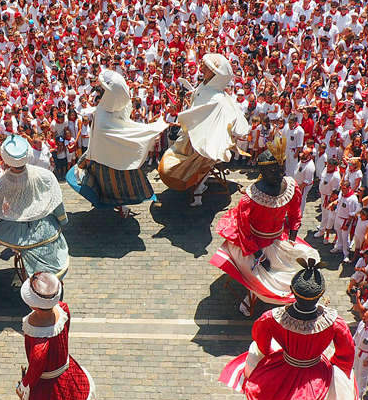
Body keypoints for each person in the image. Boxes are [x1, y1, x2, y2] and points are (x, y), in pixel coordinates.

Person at [220, 259, 358, 400]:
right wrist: (337, 368)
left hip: (284, 364)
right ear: (320, 295)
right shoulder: (335, 323)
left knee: (252, 355)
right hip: (315, 372)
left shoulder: (272, 317)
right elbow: (346, 352)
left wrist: (268, 355)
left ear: (292, 290)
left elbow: (261, 343)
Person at [210, 137, 321, 316]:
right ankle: (252, 295)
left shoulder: (290, 186)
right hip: (254, 244)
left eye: (281, 170)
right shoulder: (249, 199)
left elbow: (295, 215)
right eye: (273, 172)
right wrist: (259, 255)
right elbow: (244, 231)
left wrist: (291, 241)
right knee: (261, 276)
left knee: (302, 261)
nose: (279, 176)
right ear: (261, 171)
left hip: (280, 238)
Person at [9, 272, 96, 400]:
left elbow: (35, 369)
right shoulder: (63, 309)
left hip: (48, 386)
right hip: (66, 369)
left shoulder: (39, 342)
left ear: (32, 304)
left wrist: (24, 386)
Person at [69, 69, 167, 219]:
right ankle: (120, 207)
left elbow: (112, 124)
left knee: (112, 187)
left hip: (103, 157)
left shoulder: (106, 116)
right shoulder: (118, 107)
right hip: (106, 154)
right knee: (115, 187)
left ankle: (119, 206)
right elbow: (105, 111)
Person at [0, 135, 70, 280]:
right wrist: (62, 219)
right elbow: (56, 200)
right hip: (43, 223)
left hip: (16, 226)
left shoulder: (2, 182)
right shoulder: (45, 174)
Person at [158, 53, 250, 207]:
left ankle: (198, 194)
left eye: (206, 68)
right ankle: (196, 184)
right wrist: (193, 93)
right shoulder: (204, 86)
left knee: (199, 163)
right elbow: (200, 97)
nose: (202, 69)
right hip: (193, 138)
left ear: (216, 74)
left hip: (207, 144)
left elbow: (219, 122)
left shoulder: (219, 99)